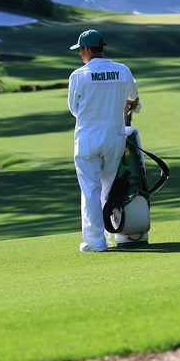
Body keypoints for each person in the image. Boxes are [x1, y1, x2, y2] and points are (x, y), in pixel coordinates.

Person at [67, 29, 140, 253]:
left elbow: (74, 109)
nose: (80, 54)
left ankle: (96, 242)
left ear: (87, 49)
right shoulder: (122, 70)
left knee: (90, 190)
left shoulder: (78, 75)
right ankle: (109, 234)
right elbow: (134, 100)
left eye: (80, 50)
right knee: (107, 189)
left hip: (88, 138)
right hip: (114, 138)